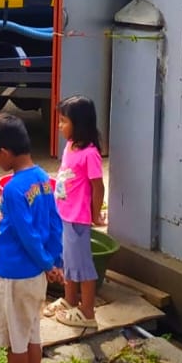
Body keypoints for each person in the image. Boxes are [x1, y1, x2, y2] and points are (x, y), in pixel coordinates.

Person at [0, 113, 63, 363]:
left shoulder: (15, 189)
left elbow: (26, 234)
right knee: (31, 335)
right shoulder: (43, 178)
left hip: (15, 274)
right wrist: (55, 261)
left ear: (5, 152)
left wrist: (45, 262)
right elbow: (55, 223)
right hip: (34, 275)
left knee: (16, 342)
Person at [42, 95, 105, 329]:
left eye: (64, 121)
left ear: (79, 125)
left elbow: (98, 186)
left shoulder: (90, 154)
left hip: (78, 218)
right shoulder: (71, 146)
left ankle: (87, 311)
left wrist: (95, 214)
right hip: (64, 215)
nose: (59, 126)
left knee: (83, 267)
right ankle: (70, 301)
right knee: (68, 261)